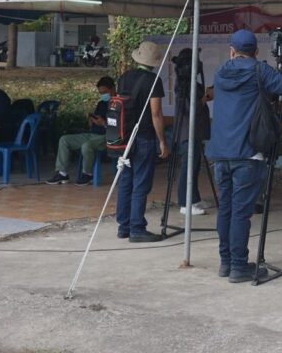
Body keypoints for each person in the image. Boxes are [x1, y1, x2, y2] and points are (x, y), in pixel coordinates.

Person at [207, 29, 282, 283]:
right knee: (240, 212)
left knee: (225, 210)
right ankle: (240, 267)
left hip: (221, 153)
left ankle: (226, 263)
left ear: (231, 51)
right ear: (256, 52)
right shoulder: (259, 71)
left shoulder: (220, 73)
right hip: (247, 153)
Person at [115, 41, 170, 243]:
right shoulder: (153, 81)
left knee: (125, 180)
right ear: (154, 62)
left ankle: (124, 226)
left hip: (124, 137)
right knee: (141, 183)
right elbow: (156, 113)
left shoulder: (124, 78)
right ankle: (137, 228)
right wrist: (162, 140)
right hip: (144, 137)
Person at [46, 77, 115, 185]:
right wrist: (92, 120)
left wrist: (104, 124)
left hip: (107, 136)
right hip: (92, 134)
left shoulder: (118, 104)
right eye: (101, 93)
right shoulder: (101, 104)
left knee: (87, 145)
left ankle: (87, 174)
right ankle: (62, 173)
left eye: (105, 92)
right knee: (64, 140)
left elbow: (119, 126)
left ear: (112, 89)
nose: (103, 95)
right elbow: (96, 118)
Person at [173, 48, 213, 216]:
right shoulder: (183, 85)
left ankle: (194, 198)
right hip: (186, 133)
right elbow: (191, 108)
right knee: (187, 168)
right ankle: (184, 203)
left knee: (195, 166)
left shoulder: (192, 84)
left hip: (195, 132)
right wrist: (206, 98)